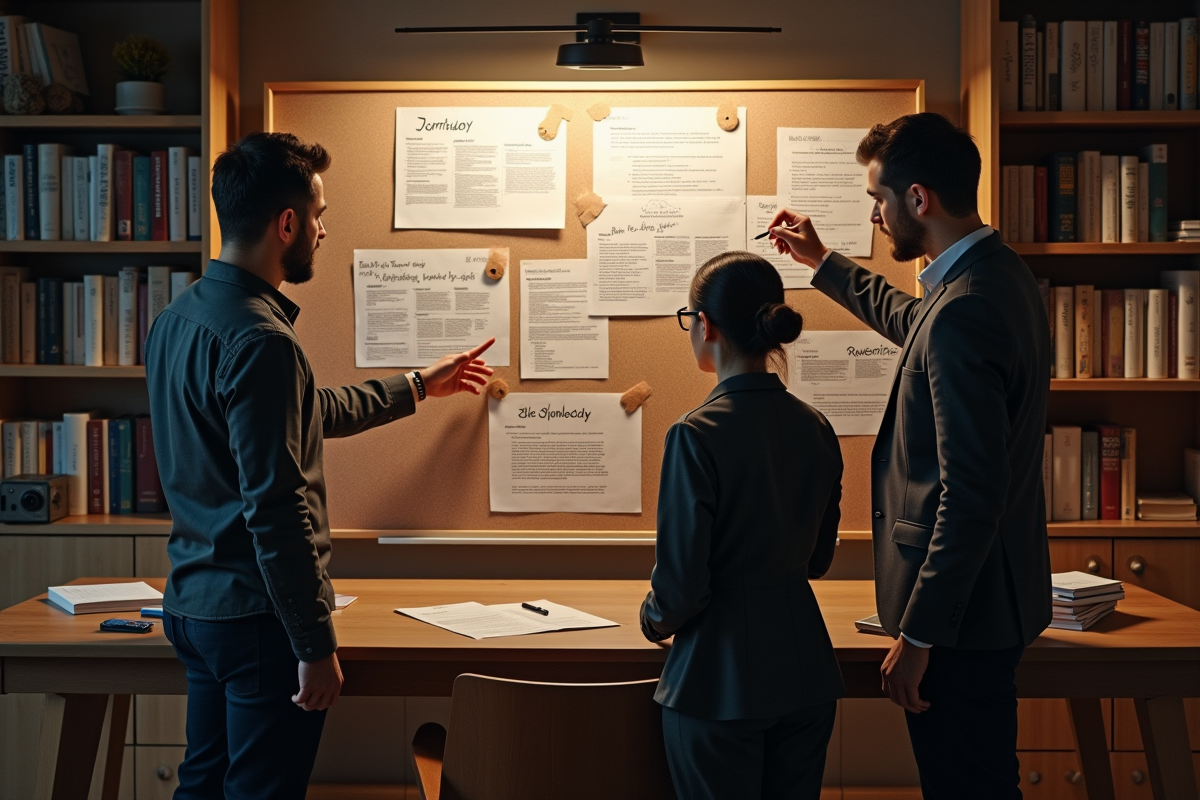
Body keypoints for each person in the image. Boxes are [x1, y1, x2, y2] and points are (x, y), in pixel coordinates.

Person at [144, 132, 495, 800]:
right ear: (287, 224)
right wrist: (313, 643)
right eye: (319, 215)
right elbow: (277, 508)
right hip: (256, 622)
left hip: (195, 608)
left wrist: (419, 384)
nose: (323, 230)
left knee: (203, 787)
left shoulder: (178, 318)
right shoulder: (259, 339)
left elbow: (305, 413)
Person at [768, 112, 1051, 798]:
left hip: (960, 624)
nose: (877, 215)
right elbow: (912, 323)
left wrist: (920, 637)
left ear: (917, 199)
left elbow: (971, 493)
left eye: (879, 200)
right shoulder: (994, 277)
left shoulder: (964, 309)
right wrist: (823, 262)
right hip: (989, 602)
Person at [639, 251, 845, 800]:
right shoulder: (816, 426)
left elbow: (680, 589)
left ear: (704, 324)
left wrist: (652, 621)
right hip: (805, 673)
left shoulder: (694, 435)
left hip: (715, 681)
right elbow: (818, 560)